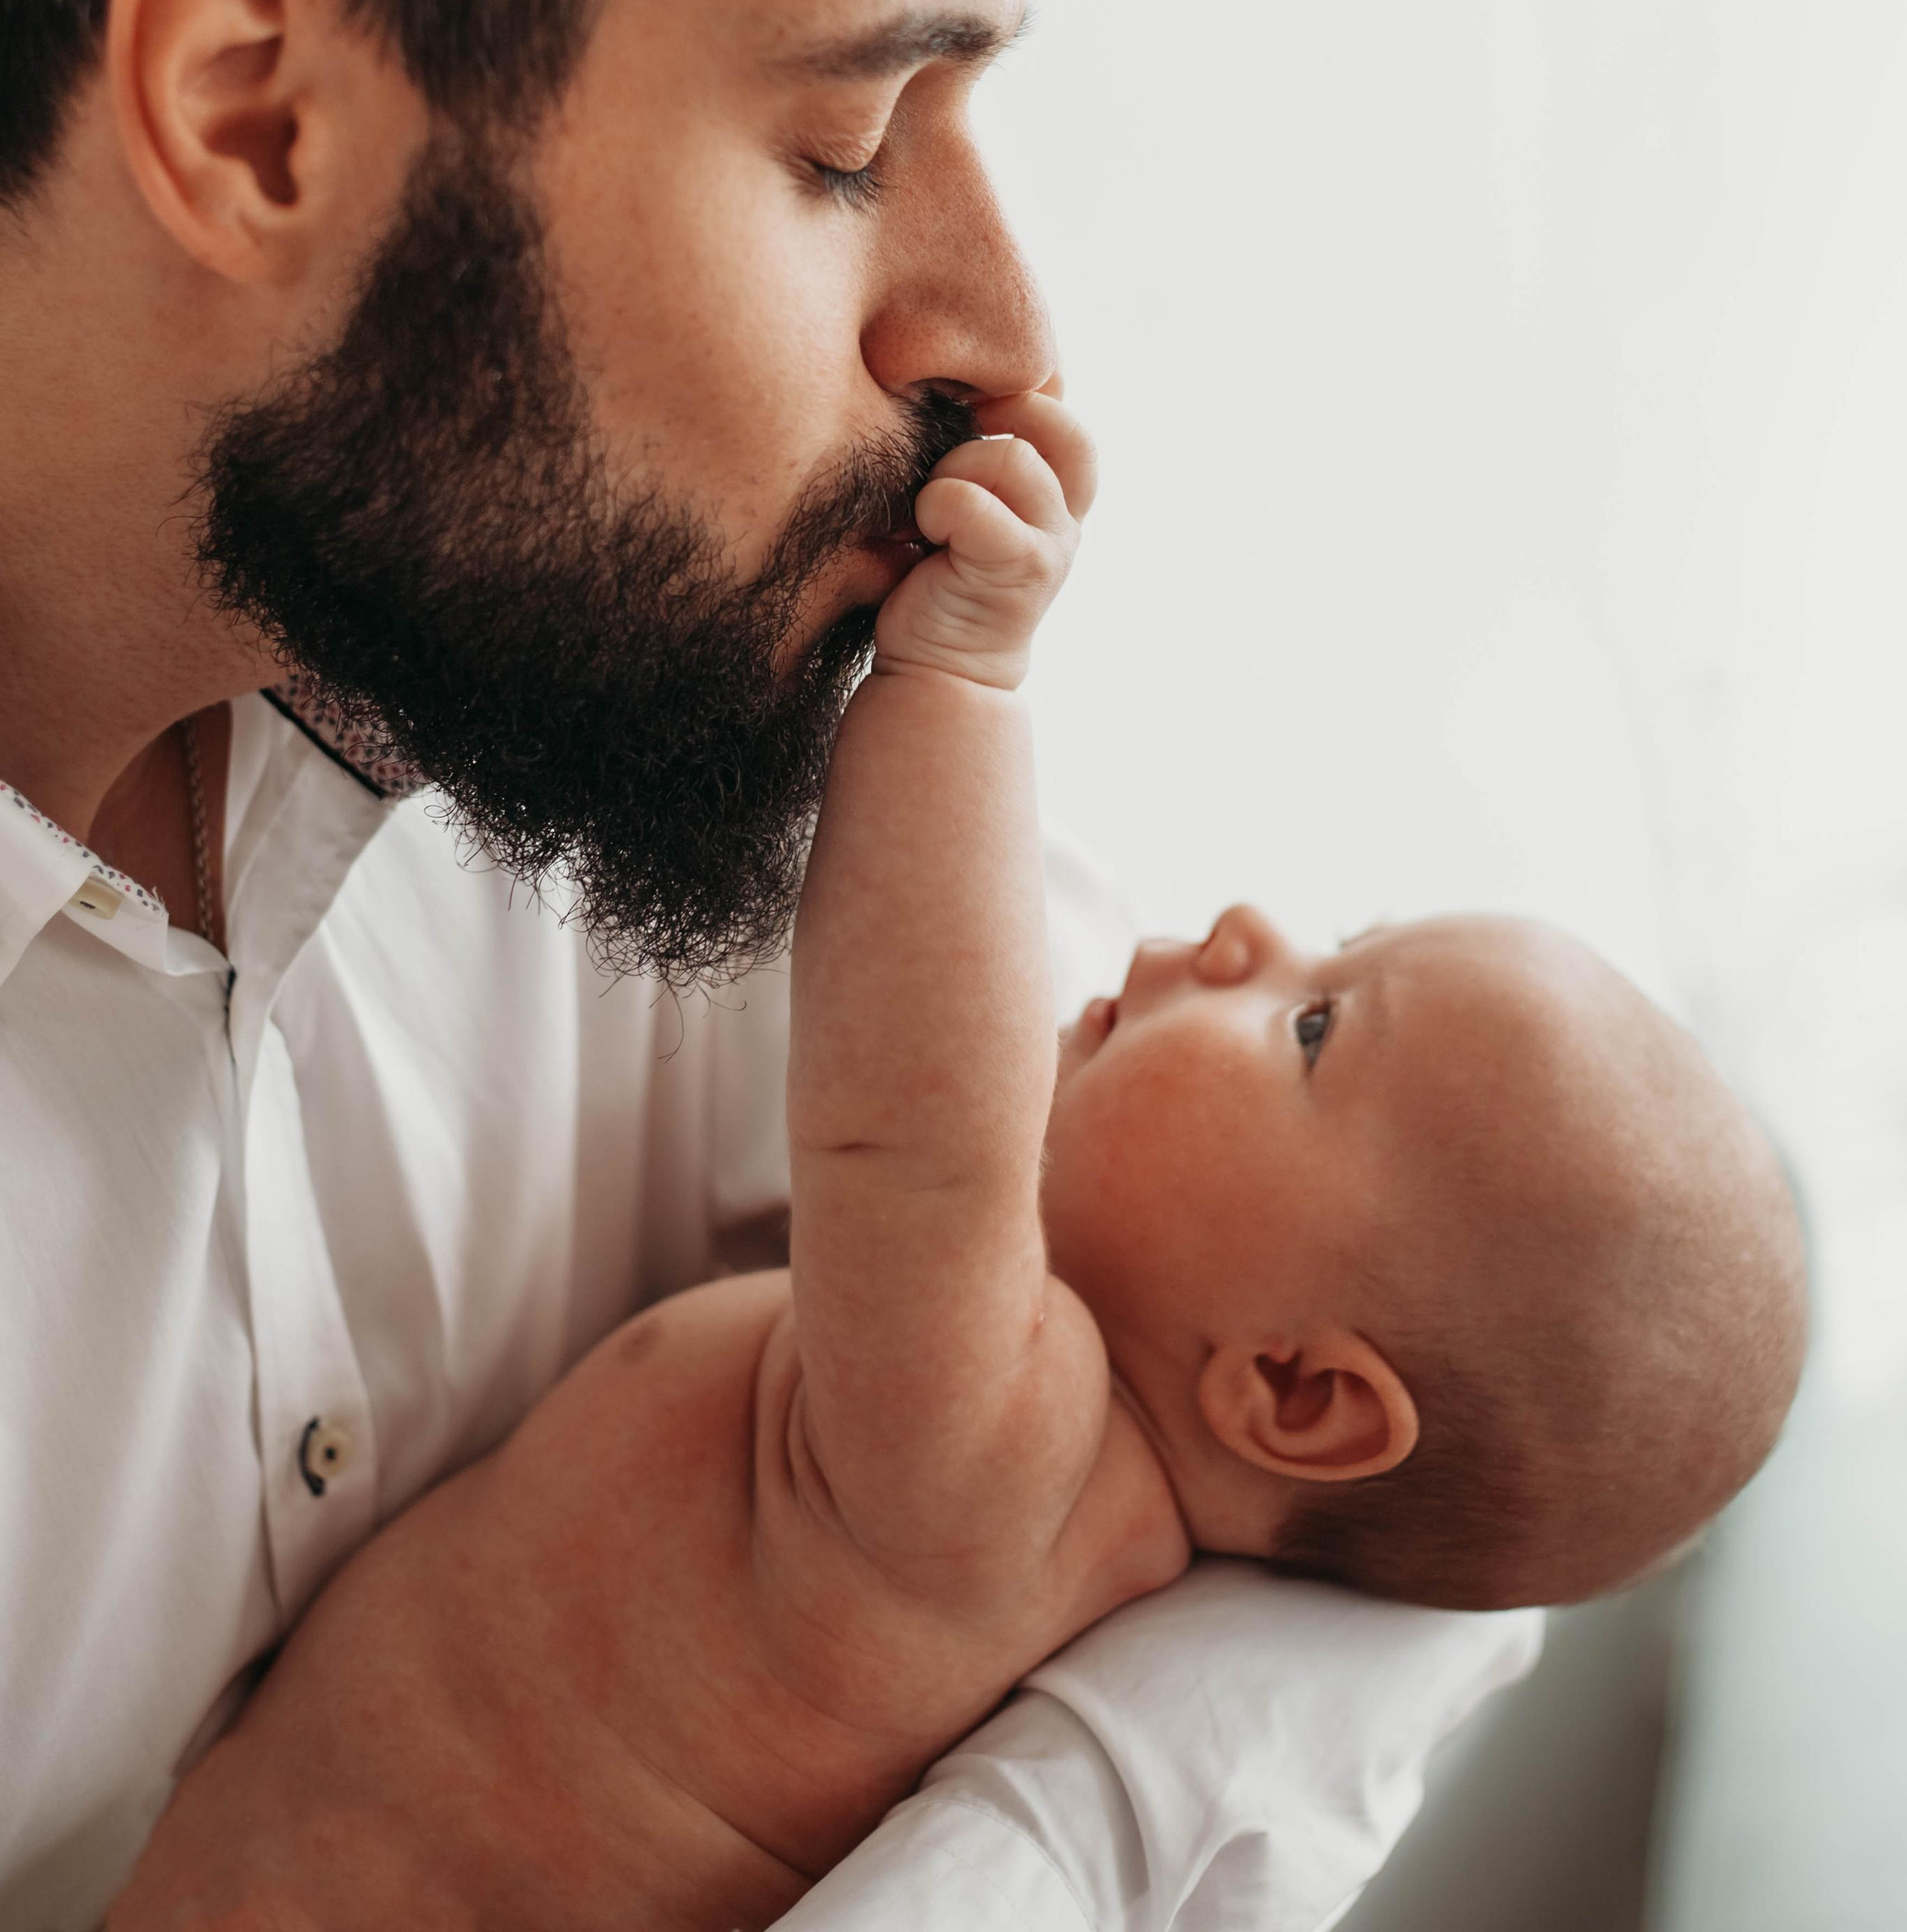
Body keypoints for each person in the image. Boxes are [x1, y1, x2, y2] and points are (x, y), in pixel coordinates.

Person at [0, 0, 1540, 1931]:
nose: (1001, 328)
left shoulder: (619, 681)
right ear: (251, 110)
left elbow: (1482, 1441)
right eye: (844, 145)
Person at [106, 390, 1806, 1929]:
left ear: (1291, 1392)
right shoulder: (1015, 1489)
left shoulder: (1007, 1473)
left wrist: (962, 680)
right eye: (1326, 943)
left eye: (1313, 1026)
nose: (1239, 932)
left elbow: (913, 1122)